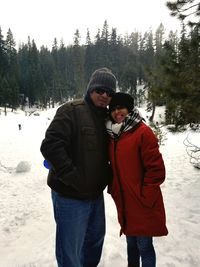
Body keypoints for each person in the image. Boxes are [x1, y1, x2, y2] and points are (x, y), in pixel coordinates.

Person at [40, 67, 117, 267]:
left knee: (94, 243)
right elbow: (51, 146)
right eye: (100, 90)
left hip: (95, 195)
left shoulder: (107, 120)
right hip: (70, 195)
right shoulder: (71, 110)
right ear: (91, 89)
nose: (104, 96)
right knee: (70, 251)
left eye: (109, 93)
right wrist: (73, 178)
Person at [106, 92, 168, 267]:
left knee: (145, 247)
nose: (117, 112)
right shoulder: (113, 136)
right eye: (113, 109)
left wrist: (145, 195)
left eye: (121, 108)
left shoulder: (142, 132)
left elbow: (156, 170)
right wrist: (114, 188)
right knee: (131, 245)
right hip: (126, 203)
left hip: (142, 203)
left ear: (130, 109)